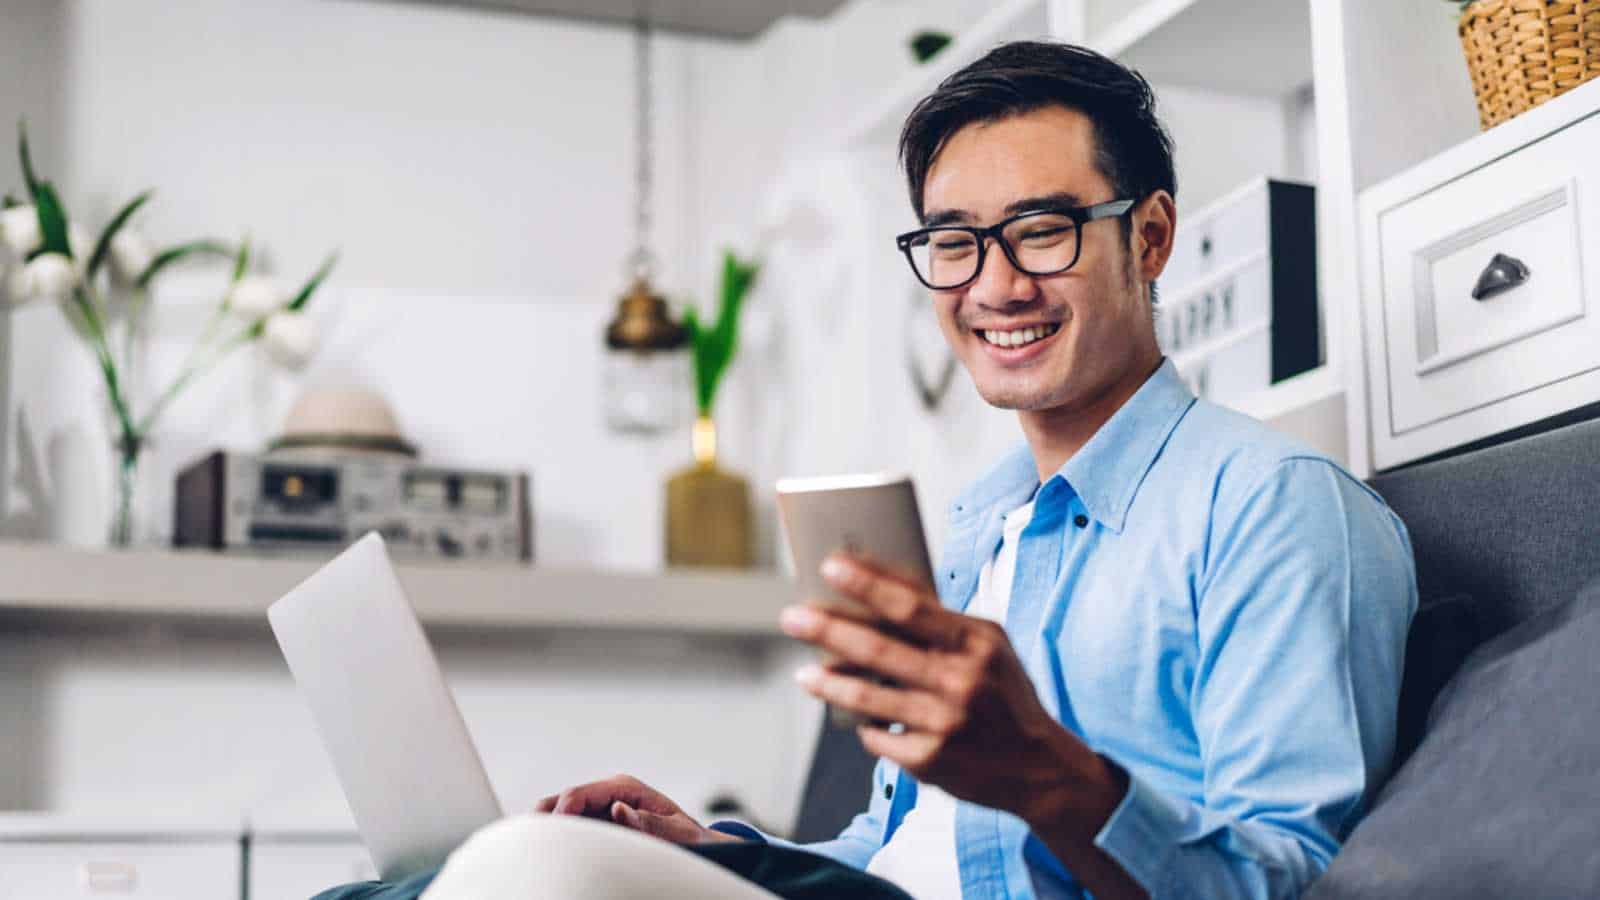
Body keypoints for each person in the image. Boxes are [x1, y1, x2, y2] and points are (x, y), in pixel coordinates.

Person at [324, 40, 1417, 900]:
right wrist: (719, 855)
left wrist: (1044, 771)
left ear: (1150, 236)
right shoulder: (975, 526)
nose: (994, 286)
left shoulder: (1276, 506)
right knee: (405, 883)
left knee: (526, 876)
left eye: (1040, 230)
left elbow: (1295, 881)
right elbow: (904, 855)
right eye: (953, 242)